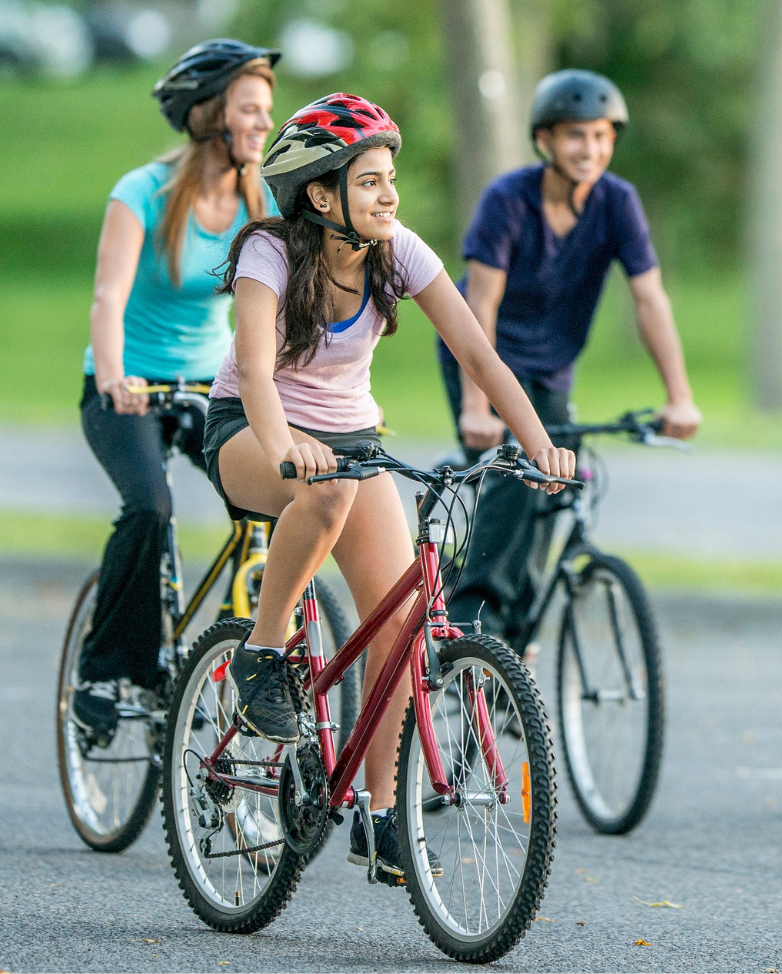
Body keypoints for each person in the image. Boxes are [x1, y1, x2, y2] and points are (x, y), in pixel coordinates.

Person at [206, 93, 575, 881]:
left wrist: (539, 444)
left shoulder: (397, 250)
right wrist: (283, 448)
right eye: (370, 181)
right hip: (248, 429)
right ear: (320, 194)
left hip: (351, 444)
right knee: (326, 494)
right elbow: (259, 375)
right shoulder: (268, 255)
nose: (389, 195)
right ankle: (263, 656)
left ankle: (381, 818)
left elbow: (481, 356)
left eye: (390, 178)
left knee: (401, 620)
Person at [436, 69, 700, 641]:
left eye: (603, 136)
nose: (592, 149)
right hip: (481, 353)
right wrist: (477, 408)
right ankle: (470, 620)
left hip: (551, 368)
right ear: (546, 140)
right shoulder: (507, 200)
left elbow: (650, 301)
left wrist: (679, 397)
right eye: (578, 135)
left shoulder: (617, 203)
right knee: (517, 473)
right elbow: (481, 303)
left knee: (556, 482)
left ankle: (511, 639)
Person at [73, 39, 280, 741]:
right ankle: (106, 670)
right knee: (150, 507)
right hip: (127, 385)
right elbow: (108, 296)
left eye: (266, 110)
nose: (262, 123)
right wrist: (112, 378)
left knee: (276, 504)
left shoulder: (267, 199)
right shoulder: (143, 192)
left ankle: (247, 651)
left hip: (211, 387)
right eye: (249, 109)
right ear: (207, 116)